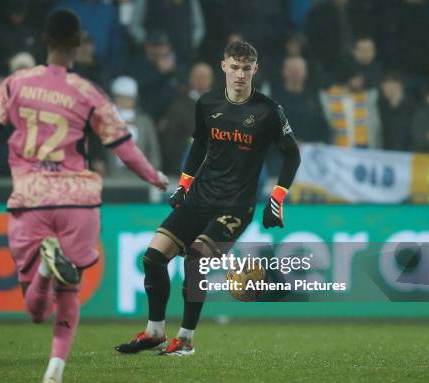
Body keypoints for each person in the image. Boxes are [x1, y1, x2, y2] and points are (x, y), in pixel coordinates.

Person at [0, 9, 168, 383]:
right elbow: (124, 148)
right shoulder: (88, 92)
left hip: (31, 200)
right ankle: (53, 375)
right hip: (78, 203)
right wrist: (154, 176)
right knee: (69, 294)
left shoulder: (15, 84)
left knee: (36, 311)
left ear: (45, 42)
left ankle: (45, 270)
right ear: (78, 45)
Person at [115, 41, 300, 356]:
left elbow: (292, 155)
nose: (240, 74)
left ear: (255, 69)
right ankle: (155, 331)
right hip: (199, 198)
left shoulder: (268, 110)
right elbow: (199, 146)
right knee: (153, 257)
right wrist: (184, 185)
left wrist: (277, 197)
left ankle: (185, 340)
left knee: (197, 257)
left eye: (246, 68)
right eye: (235, 66)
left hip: (236, 206)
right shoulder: (207, 103)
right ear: (223, 66)